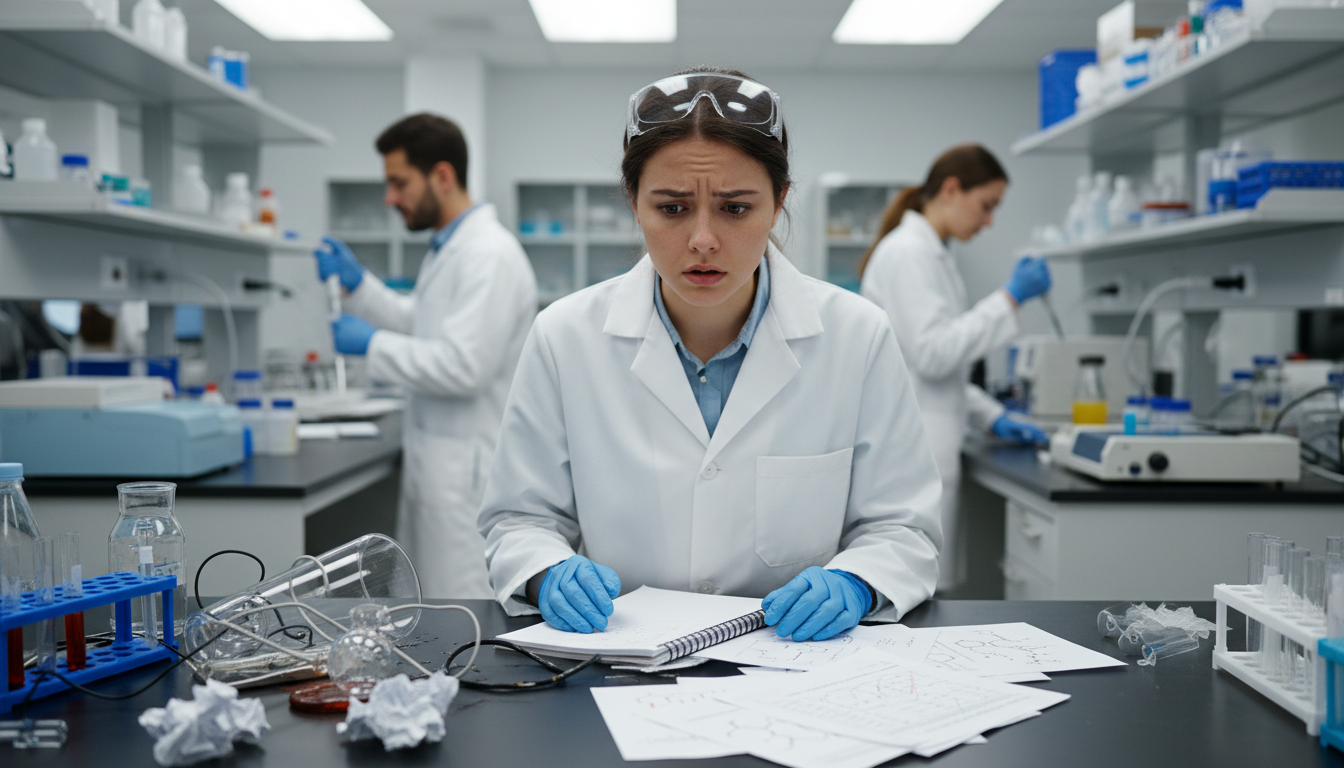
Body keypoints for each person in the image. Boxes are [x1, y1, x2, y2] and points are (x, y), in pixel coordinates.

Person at [477, 68, 943, 641]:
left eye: (736, 208)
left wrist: (858, 581)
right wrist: (545, 570)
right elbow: (519, 519)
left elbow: (902, 528)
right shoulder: (564, 337)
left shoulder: (857, 337)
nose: (702, 239)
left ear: (778, 205)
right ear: (634, 203)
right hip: (624, 658)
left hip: (796, 667)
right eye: (672, 209)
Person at [315, 113, 538, 598]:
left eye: (399, 183)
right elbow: (422, 322)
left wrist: (370, 344)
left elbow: (464, 367)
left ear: (442, 175)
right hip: (441, 465)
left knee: (463, 609)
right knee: (429, 604)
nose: (390, 198)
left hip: (467, 476)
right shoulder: (449, 249)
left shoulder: (489, 255)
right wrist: (361, 287)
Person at [857, 143, 1050, 593]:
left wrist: (992, 416)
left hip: (928, 436)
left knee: (926, 585)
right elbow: (934, 352)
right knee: (913, 587)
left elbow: (933, 373)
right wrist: (1011, 298)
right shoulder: (908, 252)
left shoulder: (933, 254)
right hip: (910, 447)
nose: (989, 221)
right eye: (986, 206)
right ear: (950, 190)